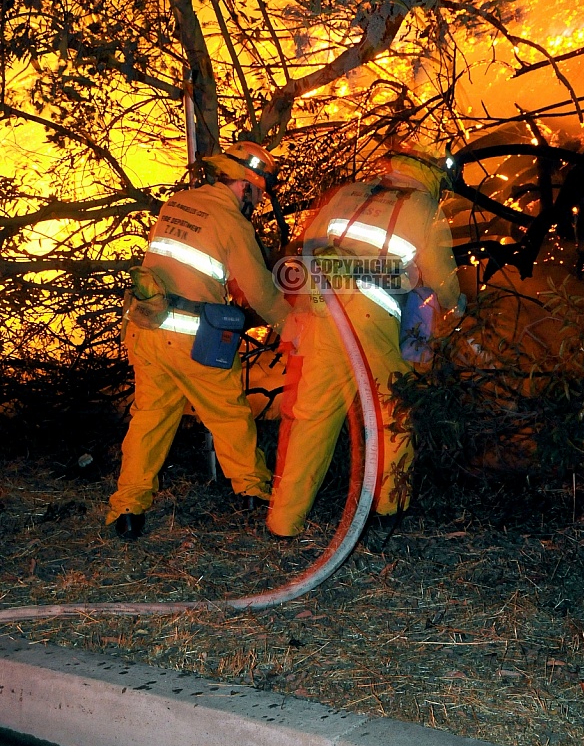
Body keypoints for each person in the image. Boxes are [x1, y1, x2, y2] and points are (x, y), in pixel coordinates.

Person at [266, 146, 460, 538]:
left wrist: (315, 304)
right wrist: (455, 311)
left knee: (312, 417)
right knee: (394, 411)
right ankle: (388, 512)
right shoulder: (424, 206)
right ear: (432, 179)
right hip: (376, 319)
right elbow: (442, 281)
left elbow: (307, 249)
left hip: (326, 313)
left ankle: (283, 522)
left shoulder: (350, 192)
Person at [107, 142, 291, 540]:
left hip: (146, 328)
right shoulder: (232, 221)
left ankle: (127, 508)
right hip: (192, 339)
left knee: (149, 420)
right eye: (257, 194)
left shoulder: (177, 203)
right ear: (244, 187)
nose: (256, 203)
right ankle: (253, 494)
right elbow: (260, 291)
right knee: (228, 415)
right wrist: (293, 329)